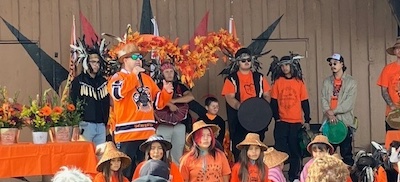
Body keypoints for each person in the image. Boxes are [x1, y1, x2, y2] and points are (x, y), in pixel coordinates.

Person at [106, 27, 173, 180]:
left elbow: (157, 103)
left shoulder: (147, 79)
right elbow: (118, 93)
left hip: (147, 133)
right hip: (127, 134)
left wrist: (166, 92)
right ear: (125, 60)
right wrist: (133, 76)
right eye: (135, 56)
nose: (139, 59)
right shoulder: (117, 78)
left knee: (147, 171)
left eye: (140, 56)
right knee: (127, 173)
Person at [221, 47, 271, 161]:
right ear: (238, 62)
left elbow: (267, 95)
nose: (246, 62)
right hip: (239, 120)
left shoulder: (259, 77)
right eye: (243, 60)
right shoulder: (231, 79)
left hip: (257, 119)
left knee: (258, 147)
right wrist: (243, 109)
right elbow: (230, 97)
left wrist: (261, 109)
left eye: (249, 60)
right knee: (240, 149)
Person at [269, 53, 310, 182]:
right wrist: (276, 118)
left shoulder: (299, 83)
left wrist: (307, 119)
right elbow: (273, 102)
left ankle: (294, 177)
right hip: (282, 122)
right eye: (282, 66)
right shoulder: (278, 82)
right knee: (280, 149)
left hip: (296, 122)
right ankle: (278, 176)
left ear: (292, 66)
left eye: (287, 65)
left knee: (295, 150)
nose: (285, 68)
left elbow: (305, 102)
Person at [70, 37, 110, 147]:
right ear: (86, 62)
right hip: (85, 125)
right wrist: (75, 125)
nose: (96, 65)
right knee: (86, 153)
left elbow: (107, 104)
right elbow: (72, 104)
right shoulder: (79, 81)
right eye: (93, 62)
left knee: (100, 155)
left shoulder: (103, 82)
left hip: (101, 125)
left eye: (98, 62)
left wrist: (107, 123)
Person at [321, 53, 357, 166]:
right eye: (330, 64)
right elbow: (323, 99)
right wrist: (329, 114)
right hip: (329, 122)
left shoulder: (351, 82)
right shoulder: (326, 82)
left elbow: (349, 103)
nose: (332, 65)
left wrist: (333, 112)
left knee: (346, 154)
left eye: (335, 63)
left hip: (344, 122)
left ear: (342, 64)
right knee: (327, 154)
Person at [155, 61, 194, 165]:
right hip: (163, 125)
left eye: (171, 71)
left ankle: (177, 176)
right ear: (162, 74)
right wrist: (168, 104)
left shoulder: (180, 86)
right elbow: (154, 100)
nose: (169, 74)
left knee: (178, 154)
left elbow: (190, 97)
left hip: (179, 125)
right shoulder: (157, 86)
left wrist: (174, 101)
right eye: (166, 72)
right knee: (163, 153)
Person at [377, 39, 400, 131]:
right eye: (397, 48)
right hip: (392, 113)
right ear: (394, 51)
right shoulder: (388, 69)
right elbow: (384, 90)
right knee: (393, 143)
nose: (399, 50)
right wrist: (392, 105)